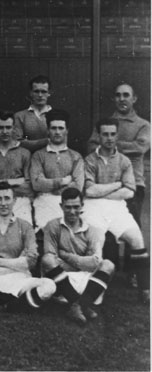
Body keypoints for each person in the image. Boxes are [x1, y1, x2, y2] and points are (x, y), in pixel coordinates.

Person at [83, 117, 149, 303]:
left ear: (117, 135)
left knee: (137, 238)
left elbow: (129, 192)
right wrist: (117, 184)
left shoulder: (124, 161)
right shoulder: (89, 160)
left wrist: (102, 191)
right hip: (93, 208)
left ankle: (145, 290)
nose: (109, 138)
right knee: (96, 244)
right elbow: (89, 190)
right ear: (99, 136)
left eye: (113, 134)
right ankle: (94, 292)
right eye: (105, 134)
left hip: (118, 207)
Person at [0, 182, 56, 312]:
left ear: (14, 201)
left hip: (21, 279)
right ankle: (19, 304)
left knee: (49, 286)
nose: (3, 203)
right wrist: (18, 264)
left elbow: (31, 261)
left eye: (7, 198)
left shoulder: (25, 226)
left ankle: (2, 304)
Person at [42, 188, 114, 325]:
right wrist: (81, 262)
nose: (72, 211)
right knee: (47, 260)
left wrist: (64, 255)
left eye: (76, 207)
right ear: (61, 206)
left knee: (108, 265)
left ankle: (77, 305)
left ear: (82, 206)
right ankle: (83, 305)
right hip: (61, 280)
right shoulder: (52, 226)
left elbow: (94, 263)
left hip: (86, 281)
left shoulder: (91, 230)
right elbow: (50, 258)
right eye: (68, 207)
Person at [87, 83, 150, 227]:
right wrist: (127, 145)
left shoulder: (144, 125)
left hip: (132, 184)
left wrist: (106, 145)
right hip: (105, 183)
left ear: (134, 99)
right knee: (107, 228)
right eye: (118, 95)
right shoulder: (105, 123)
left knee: (131, 228)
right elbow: (91, 147)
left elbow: (140, 148)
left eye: (126, 95)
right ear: (113, 99)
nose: (122, 99)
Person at [30, 109, 84, 230]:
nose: (57, 132)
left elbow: (78, 186)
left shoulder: (75, 156)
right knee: (50, 231)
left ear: (67, 131)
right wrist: (62, 181)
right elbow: (37, 184)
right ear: (48, 131)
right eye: (53, 128)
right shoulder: (38, 156)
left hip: (68, 203)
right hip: (45, 202)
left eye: (61, 128)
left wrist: (53, 188)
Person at [0, 111, 33, 224]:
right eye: (1, 128)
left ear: (13, 128)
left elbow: (28, 187)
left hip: (19, 199)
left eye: (8, 127)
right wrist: (17, 181)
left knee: (23, 228)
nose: (4, 131)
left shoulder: (24, 153)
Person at [14, 75, 53, 153]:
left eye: (43, 91)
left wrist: (30, 143)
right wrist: (45, 141)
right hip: (27, 160)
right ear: (31, 93)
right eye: (36, 91)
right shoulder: (20, 116)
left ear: (49, 93)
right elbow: (18, 143)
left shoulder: (57, 115)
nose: (40, 95)